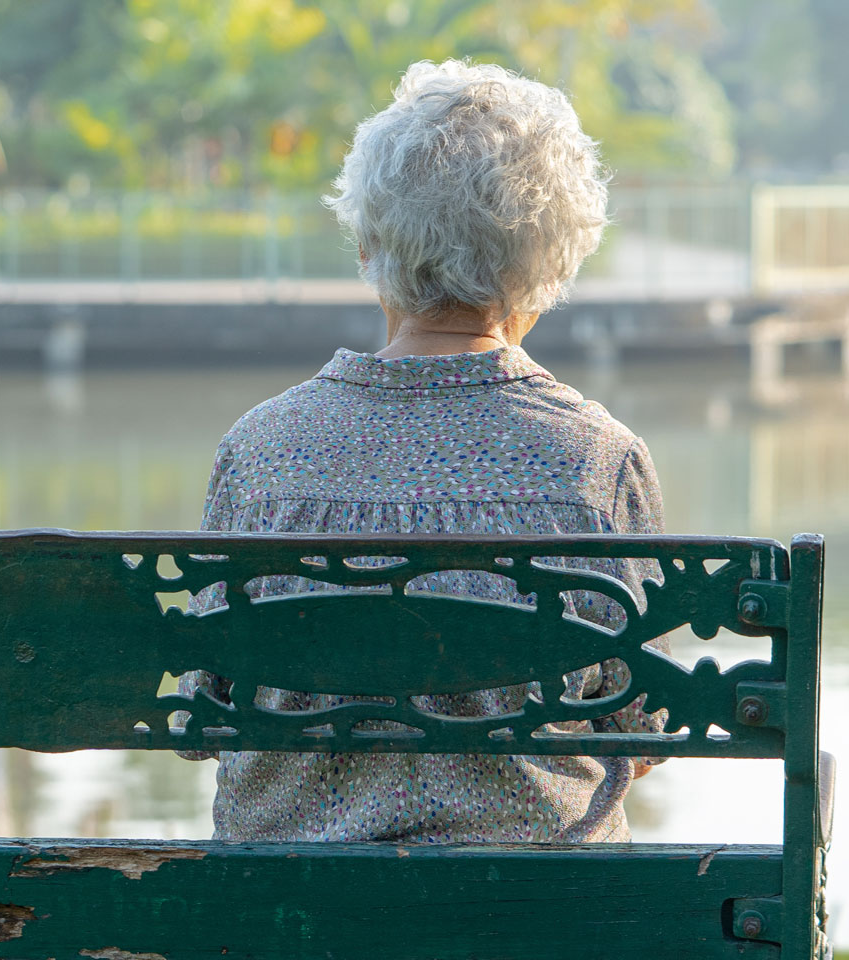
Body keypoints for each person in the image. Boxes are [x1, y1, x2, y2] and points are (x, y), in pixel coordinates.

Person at [177, 59, 667, 844]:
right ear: (554, 261)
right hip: (540, 911)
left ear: (370, 239)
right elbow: (643, 724)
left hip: (284, 913)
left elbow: (209, 710)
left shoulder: (259, 453)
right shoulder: (594, 463)